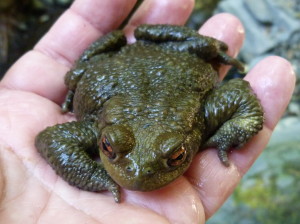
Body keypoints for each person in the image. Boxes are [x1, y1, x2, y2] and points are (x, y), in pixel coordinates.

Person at [0, 0, 295, 223]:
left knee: (165, 40)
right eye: (110, 148)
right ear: (105, 137)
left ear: (189, 139)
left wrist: (229, 133)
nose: (139, 172)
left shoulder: (199, 117)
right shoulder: (108, 124)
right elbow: (50, 141)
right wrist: (93, 175)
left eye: (175, 156)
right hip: (118, 68)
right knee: (73, 75)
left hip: (177, 60)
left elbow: (243, 101)